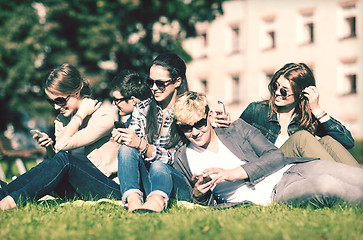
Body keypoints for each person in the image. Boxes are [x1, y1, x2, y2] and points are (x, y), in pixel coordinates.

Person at [172, 91, 363, 207]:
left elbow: (276, 155)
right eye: (186, 128)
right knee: (327, 185)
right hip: (276, 192)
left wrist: (234, 173)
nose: (195, 132)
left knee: (356, 176)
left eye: (199, 124)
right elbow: (193, 201)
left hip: (293, 169)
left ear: (209, 115)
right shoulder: (184, 158)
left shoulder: (236, 128)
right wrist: (199, 194)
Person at [0, 63, 121, 210]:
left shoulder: (103, 118)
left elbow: (63, 149)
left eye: (60, 100)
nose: (56, 107)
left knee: (65, 160)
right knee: (46, 164)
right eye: (51, 102)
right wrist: (49, 148)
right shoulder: (62, 120)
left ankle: (14, 201)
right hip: (78, 186)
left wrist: (81, 114)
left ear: (76, 92)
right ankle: (2, 194)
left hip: (110, 187)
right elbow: (57, 161)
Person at [236, 63, 359, 167]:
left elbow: (347, 142)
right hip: (267, 170)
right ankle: (344, 183)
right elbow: (232, 140)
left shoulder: (307, 118)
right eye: (275, 86)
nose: (277, 93)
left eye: (284, 90)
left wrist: (317, 110)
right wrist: (223, 126)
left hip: (296, 174)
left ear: (301, 94)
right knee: (302, 138)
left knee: (328, 141)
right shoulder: (257, 110)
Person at [112, 53, 191, 212]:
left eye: (160, 83)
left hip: (174, 180)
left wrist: (143, 145)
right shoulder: (143, 108)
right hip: (147, 178)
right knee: (126, 149)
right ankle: (133, 201)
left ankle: (157, 202)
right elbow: (133, 144)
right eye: (150, 82)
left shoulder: (188, 110)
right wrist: (127, 139)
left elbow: (176, 159)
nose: (154, 88)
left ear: (177, 82)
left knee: (158, 166)